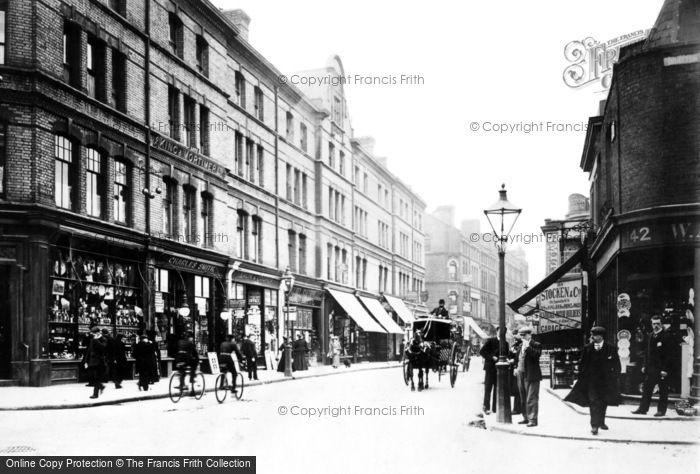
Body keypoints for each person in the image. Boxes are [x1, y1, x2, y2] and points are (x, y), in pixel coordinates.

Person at [565, 326, 621, 435]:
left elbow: (617, 365)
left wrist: (614, 377)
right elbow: (582, 364)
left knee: (603, 402)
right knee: (593, 402)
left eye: (594, 335)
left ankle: (601, 422)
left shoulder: (611, 348)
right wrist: (581, 377)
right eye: (592, 334)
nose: (592, 337)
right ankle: (594, 425)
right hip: (591, 381)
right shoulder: (587, 348)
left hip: (605, 381)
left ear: (601, 336)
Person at [631, 315, 675, 417]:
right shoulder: (650, 335)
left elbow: (670, 355)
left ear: (661, 324)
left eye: (658, 323)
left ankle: (661, 411)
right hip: (651, 368)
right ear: (651, 324)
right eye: (654, 323)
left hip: (661, 369)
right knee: (647, 389)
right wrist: (644, 365)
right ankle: (643, 409)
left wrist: (665, 369)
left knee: (663, 390)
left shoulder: (667, 336)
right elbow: (647, 352)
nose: (655, 326)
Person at [515, 326, 542, 427]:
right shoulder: (520, 345)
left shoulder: (536, 345)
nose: (522, 337)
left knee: (531, 397)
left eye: (524, 335)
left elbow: (537, 356)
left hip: (532, 374)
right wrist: (515, 367)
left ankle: (533, 419)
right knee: (523, 397)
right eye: (521, 335)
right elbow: (518, 358)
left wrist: (528, 348)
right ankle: (525, 417)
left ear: (530, 335)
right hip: (520, 373)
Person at [479, 327, 508, 414]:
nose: (501, 333)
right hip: (490, 368)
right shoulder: (491, 341)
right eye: (499, 331)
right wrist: (492, 357)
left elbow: (507, 354)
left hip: (499, 369)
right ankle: (486, 407)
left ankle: (495, 408)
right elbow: (482, 351)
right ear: (497, 332)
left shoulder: (505, 343)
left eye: (503, 332)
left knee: (497, 389)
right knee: (488, 388)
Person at [83, 327, 107, 399]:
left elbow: (103, 347)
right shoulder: (92, 339)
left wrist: (96, 340)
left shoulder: (103, 339)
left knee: (97, 378)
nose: (92, 335)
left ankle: (95, 394)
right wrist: (86, 361)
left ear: (97, 333)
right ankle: (101, 386)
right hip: (92, 361)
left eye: (93, 333)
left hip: (100, 361)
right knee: (92, 377)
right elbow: (89, 351)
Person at [508, 329, 523, 415]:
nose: (514, 336)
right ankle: (517, 408)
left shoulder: (521, 344)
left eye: (516, 334)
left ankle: (517, 409)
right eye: (513, 334)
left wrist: (513, 361)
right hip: (513, 370)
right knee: (516, 390)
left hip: (518, 369)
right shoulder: (514, 344)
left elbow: (519, 358)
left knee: (518, 389)